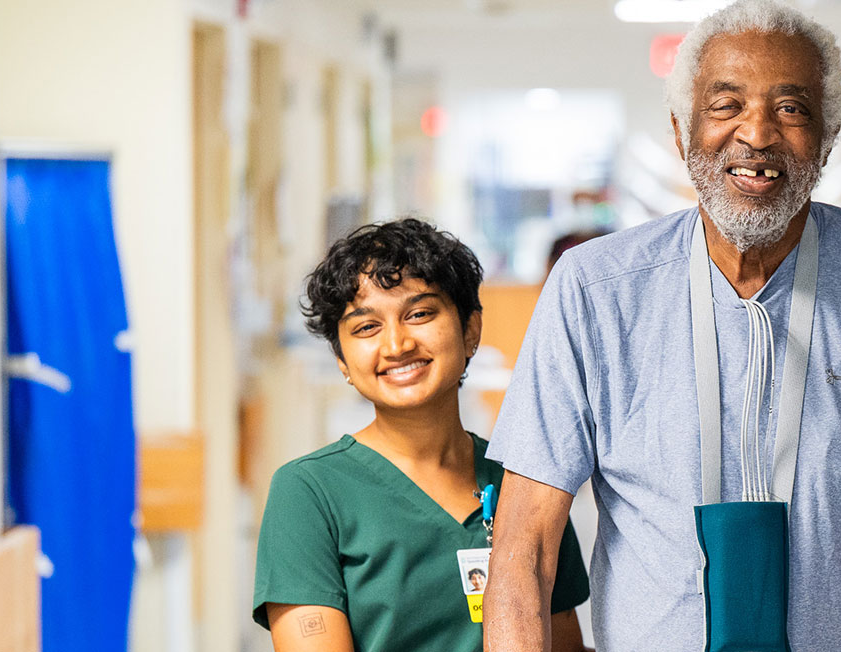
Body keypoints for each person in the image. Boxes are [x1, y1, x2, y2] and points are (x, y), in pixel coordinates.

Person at [483, 0, 841, 652]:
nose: (758, 133)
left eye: (791, 108)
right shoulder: (594, 291)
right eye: (726, 104)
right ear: (682, 133)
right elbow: (524, 553)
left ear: (827, 140)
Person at [251, 219, 591, 652]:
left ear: (470, 330)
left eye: (419, 314)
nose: (396, 345)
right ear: (342, 360)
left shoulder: (525, 479)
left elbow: (562, 644)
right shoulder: (309, 493)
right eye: (366, 327)